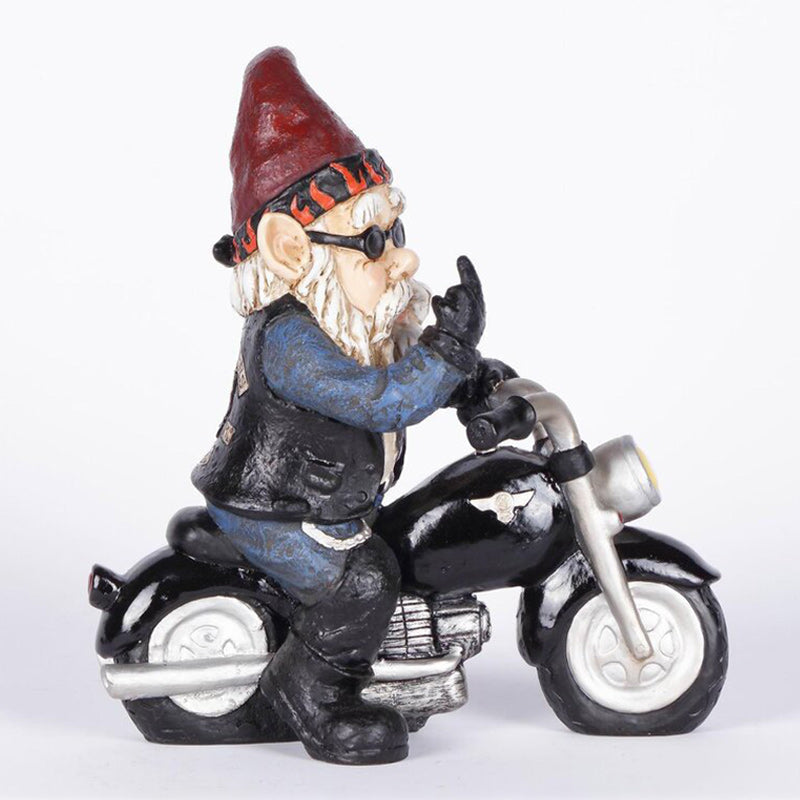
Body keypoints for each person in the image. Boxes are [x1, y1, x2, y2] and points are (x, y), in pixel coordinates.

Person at [192, 47, 508, 765]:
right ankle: (314, 693)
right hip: (274, 510)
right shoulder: (291, 341)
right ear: (289, 248)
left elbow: (398, 368)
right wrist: (447, 353)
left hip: (324, 504)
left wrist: (472, 380)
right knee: (363, 581)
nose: (404, 259)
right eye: (373, 241)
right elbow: (380, 399)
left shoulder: (353, 326)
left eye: (396, 233)